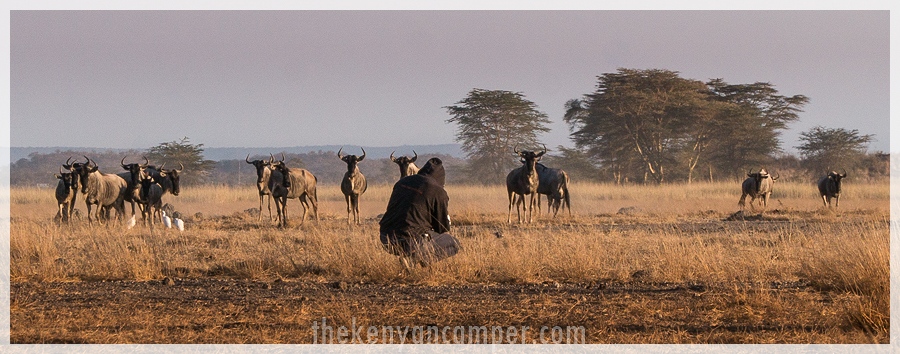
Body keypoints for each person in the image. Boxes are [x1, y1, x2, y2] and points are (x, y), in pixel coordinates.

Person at [379, 157, 460, 269]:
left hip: (385, 238)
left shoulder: (401, 182)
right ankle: (414, 259)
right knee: (453, 243)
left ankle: (412, 258)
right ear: (441, 178)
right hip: (410, 241)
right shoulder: (438, 191)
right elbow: (442, 227)